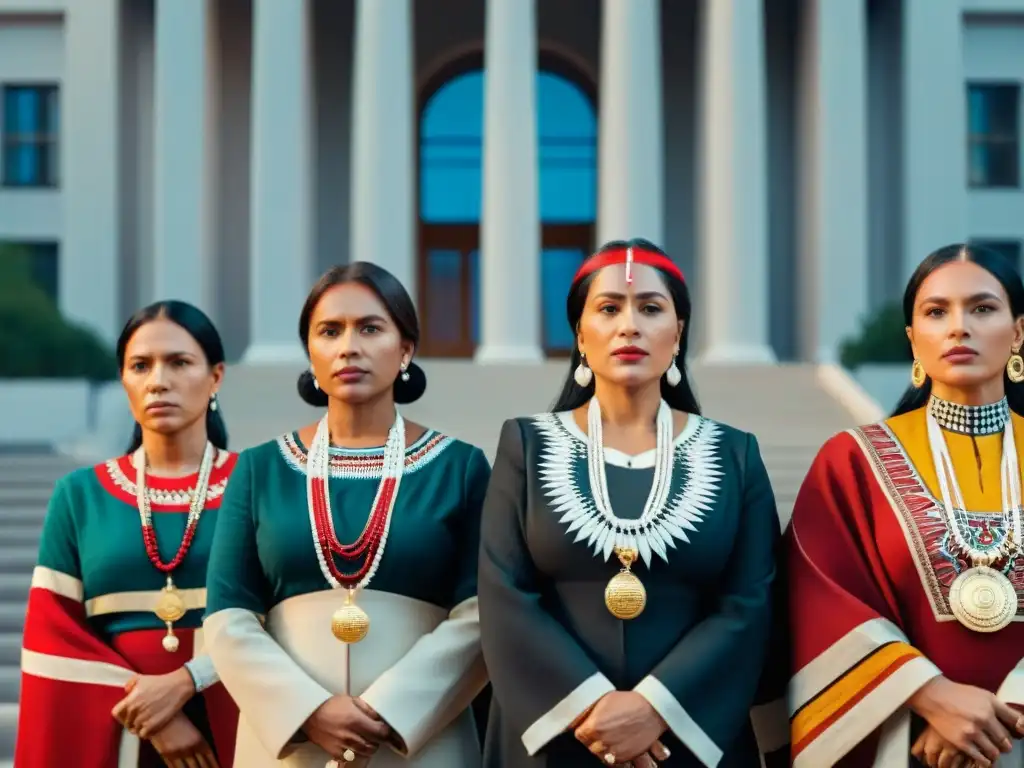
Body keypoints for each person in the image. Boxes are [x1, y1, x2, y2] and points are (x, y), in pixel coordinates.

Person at [478, 239, 786, 768]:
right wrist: (592, 707)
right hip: (558, 739)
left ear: (678, 331)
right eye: (608, 309)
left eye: (650, 308)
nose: (629, 326)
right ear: (580, 333)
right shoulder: (526, 445)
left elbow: (751, 602)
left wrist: (654, 708)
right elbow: (504, 594)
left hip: (687, 738)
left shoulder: (734, 454)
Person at [202, 262, 492, 767]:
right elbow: (228, 617)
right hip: (292, 746)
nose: (348, 346)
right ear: (311, 353)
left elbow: (483, 613)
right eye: (329, 331)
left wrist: (392, 709)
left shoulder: (460, 467)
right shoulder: (259, 468)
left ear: (406, 350)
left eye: (371, 328)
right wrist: (308, 710)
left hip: (421, 741)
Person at [788, 243, 1024, 768]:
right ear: (914, 341)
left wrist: (1005, 712)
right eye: (936, 312)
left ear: (1019, 333)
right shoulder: (852, 461)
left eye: (983, 309)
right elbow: (816, 596)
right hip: (909, 741)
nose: (958, 326)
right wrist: (929, 695)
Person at [16, 300, 240, 767]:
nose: (159, 380)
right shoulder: (80, 495)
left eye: (179, 363)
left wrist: (188, 681)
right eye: (141, 365)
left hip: (241, 720)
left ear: (215, 376)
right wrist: (155, 715)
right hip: (119, 728)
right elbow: (54, 631)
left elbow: (282, 616)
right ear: (124, 380)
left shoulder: (257, 485)